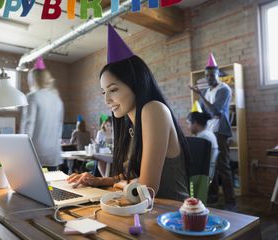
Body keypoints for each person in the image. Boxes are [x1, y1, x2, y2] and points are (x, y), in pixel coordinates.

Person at [68, 24, 190, 202]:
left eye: (113, 89)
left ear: (136, 83)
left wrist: (125, 184)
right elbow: (132, 175)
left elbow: (146, 188)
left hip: (170, 214)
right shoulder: (130, 124)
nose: (106, 100)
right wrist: (100, 181)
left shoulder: (153, 109)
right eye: (104, 92)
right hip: (144, 212)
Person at [189, 53, 236, 210]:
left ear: (218, 74)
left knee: (223, 166)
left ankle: (230, 201)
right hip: (209, 132)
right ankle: (213, 197)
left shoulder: (224, 89)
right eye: (207, 76)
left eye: (211, 75)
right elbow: (203, 111)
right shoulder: (208, 91)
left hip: (220, 132)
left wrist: (201, 95)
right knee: (211, 166)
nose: (209, 78)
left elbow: (215, 112)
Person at [20, 57, 64, 171]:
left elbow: (29, 125)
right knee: (51, 187)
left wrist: (22, 149)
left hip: (36, 152)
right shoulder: (57, 99)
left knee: (33, 186)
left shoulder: (32, 97)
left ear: (33, 79)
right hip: (53, 152)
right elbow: (59, 127)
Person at [187, 110, 219, 180]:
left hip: (202, 176)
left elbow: (195, 160)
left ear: (195, 123)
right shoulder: (209, 134)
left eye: (188, 124)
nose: (188, 127)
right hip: (208, 173)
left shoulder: (203, 137)